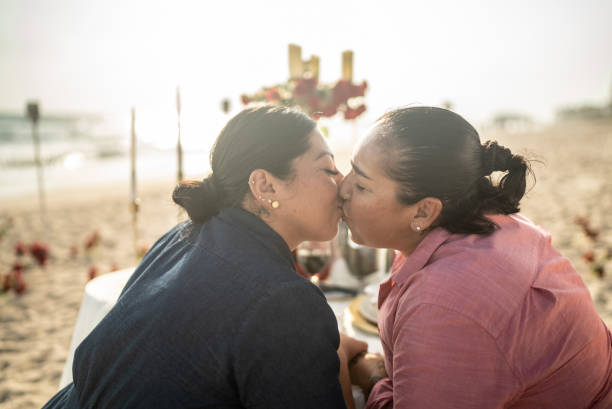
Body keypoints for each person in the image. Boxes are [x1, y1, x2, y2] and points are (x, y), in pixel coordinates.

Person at [42, 105, 366, 409]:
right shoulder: (286, 302)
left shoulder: (185, 235)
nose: (342, 185)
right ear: (265, 186)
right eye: (328, 168)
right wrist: (346, 364)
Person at [338, 106, 612, 408]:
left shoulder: (444, 303)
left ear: (424, 211)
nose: (342, 188)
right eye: (349, 168)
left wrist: (373, 377)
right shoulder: (489, 223)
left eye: (361, 185)